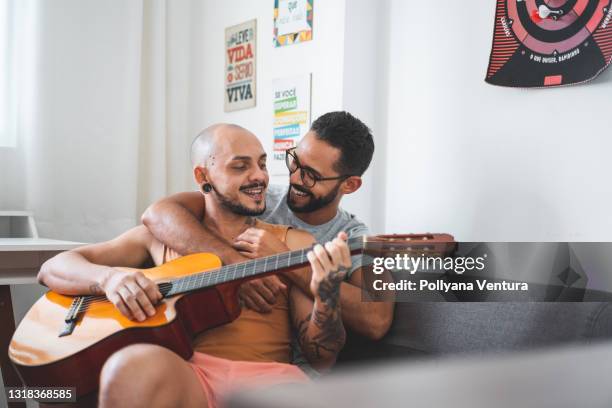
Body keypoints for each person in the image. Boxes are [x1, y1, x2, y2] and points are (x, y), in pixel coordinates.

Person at [38, 124, 351, 408]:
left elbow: (321, 358)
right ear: (204, 178)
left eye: (262, 163)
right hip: (186, 374)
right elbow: (52, 268)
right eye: (240, 166)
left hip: (267, 381)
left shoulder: (291, 244)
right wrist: (108, 279)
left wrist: (328, 299)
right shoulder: (159, 238)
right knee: (127, 365)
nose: (259, 176)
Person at [142, 112, 394, 343]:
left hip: (289, 365)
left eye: (310, 175)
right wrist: (236, 264)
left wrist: (285, 260)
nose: (294, 178)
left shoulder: (355, 237)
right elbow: (158, 214)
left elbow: (377, 320)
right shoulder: (255, 198)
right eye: (294, 161)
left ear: (349, 185)